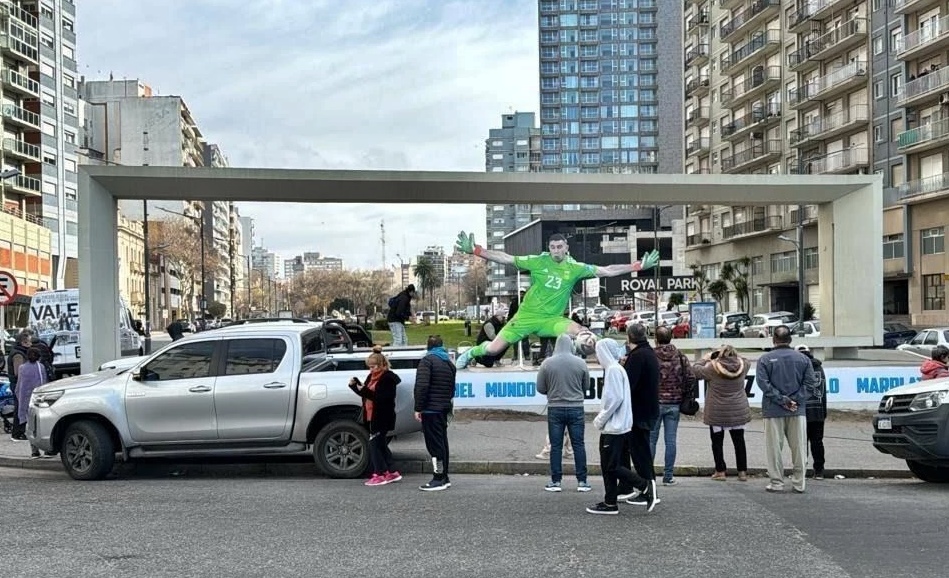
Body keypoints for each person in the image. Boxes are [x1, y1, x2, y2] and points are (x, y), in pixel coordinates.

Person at [453, 231, 658, 369]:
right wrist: (477, 250)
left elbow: (606, 271)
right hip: (525, 317)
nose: (556, 251)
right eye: (553, 247)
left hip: (552, 320)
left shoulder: (575, 268)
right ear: (549, 248)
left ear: (566, 247)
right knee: (493, 349)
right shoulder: (538, 261)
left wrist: (636, 266)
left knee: (583, 334)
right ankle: (471, 352)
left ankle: (615, 351)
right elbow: (505, 257)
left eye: (560, 247)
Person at [586, 339, 656, 514]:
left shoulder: (613, 371)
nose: (597, 356)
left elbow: (615, 400)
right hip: (617, 425)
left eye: (598, 352)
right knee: (608, 465)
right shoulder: (617, 369)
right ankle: (610, 502)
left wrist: (600, 419)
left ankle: (644, 486)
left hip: (614, 426)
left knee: (611, 465)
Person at [756, 325, 818, 493]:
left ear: (773, 340)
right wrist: (795, 401)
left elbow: (763, 384)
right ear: (790, 340)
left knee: (774, 449)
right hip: (797, 410)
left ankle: (776, 482)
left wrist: (782, 400)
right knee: (799, 448)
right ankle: (799, 483)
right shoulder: (803, 360)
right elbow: (810, 385)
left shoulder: (765, 359)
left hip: (773, 410)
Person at [536, 334, 591, 493]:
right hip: (576, 407)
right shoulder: (580, 363)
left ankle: (556, 481)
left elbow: (540, 387)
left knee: (556, 446)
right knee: (578, 444)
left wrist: (551, 390)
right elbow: (586, 385)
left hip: (555, 407)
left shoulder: (547, 363)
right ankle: (582, 481)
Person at [692, 345, 751, 481]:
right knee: (739, 441)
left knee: (717, 442)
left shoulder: (712, 368)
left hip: (717, 411)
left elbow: (695, 370)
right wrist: (734, 356)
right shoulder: (744, 366)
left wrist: (705, 358)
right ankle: (742, 472)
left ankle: (720, 471)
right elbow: (745, 359)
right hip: (737, 410)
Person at [349, 346, 402, 486]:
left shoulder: (388, 379)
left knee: (374, 446)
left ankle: (379, 473)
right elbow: (366, 394)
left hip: (381, 417)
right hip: (371, 416)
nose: (371, 370)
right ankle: (392, 472)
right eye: (369, 367)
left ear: (382, 365)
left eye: (373, 366)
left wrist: (363, 389)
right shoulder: (371, 377)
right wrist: (355, 386)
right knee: (381, 445)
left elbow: (379, 398)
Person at [650, 326, 695, 486]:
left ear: (656, 338)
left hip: (655, 403)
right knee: (670, 441)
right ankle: (668, 476)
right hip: (674, 403)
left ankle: (649, 476)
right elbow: (690, 377)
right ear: (671, 338)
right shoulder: (680, 356)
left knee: (651, 440)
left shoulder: (651, 356)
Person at [623, 322, 660, 502]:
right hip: (649, 408)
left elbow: (628, 385)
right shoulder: (649, 353)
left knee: (640, 452)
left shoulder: (637, 356)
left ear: (630, 337)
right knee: (642, 450)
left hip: (638, 411)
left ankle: (648, 490)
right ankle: (649, 487)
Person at [414, 335, 456, 491]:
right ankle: (444, 476)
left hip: (430, 409)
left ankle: (438, 478)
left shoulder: (427, 361)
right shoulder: (448, 363)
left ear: (428, 346)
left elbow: (422, 386)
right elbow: (452, 389)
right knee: (443, 444)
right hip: (443, 408)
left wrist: (418, 408)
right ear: (442, 345)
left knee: (434, 446)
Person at [797, 344, 827, 480]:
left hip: (802, 411)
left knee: (801, 443)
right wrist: (824, 412)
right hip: (818, 411)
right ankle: (819, 470)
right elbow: (824, 393)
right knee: (817, 442)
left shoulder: (798, 367)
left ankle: (801, 470)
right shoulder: (819, 367)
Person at [16, 348, 50, 457]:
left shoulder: (22, 368)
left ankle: (34, 450)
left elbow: (19, 387)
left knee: (30, 426)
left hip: (27, 400)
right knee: (42, 424)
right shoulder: (41, 367)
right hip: (40, 400)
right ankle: (47, 449)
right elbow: (44, 383)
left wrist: (19, 399)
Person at [7, 331, 33, 441]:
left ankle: (19, 432)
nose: (31, 344)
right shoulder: (18, 355)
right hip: (19, 385)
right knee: (20, 408)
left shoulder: (20, 352)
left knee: (21, 407)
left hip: (19, 384)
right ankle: (18, 433)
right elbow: (19, 372)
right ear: (24, 342)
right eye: (29, 342)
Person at [508, 289, 531, 363]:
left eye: (523, 293)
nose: (521, 294)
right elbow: (510, 312)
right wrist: (509, 321)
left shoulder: (527, 301)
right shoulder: (514, 301)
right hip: (516, 323)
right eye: (520, 293)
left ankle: (526, 354)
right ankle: (515, 355)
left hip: (525, 323)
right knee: (515, 340)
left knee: (525, 340)